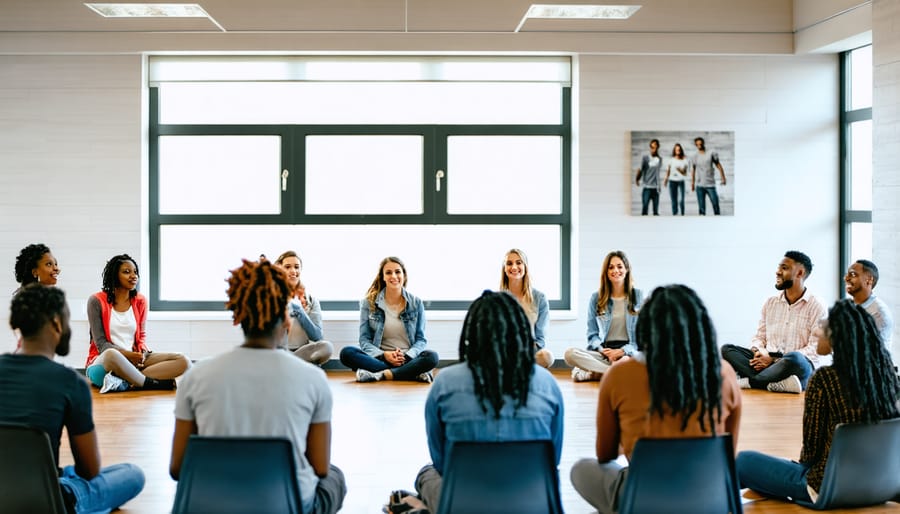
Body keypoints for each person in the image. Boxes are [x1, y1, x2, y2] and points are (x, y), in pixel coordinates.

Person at [169, 259, 346, 514]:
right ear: (286, 319)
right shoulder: (314, 379)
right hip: (285, 506)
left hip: (210, 504)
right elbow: (319, 467)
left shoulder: (195, 376)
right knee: (334, 475)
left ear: (238, 315)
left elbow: (178, 468)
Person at [570, 285, 742, 514]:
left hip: (643, 497)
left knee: (581, 469)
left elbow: (605, 454)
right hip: (707, 498)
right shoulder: (726, 374)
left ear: (646, 327)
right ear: (701, 327)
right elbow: (727, 454)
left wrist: (630, 440)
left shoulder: (619, 375)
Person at [400, 290, 564, 513]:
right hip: (530, 503)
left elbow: (441, 462)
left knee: (427, 472)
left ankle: (423, 506)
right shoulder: (547, 384)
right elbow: (553, 458)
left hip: (464, 504)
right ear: (519, 331)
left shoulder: (444, 384)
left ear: (473, 332)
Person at [736, 299, 900, 505]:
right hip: (883, 485)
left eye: (822, 327)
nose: (816, 332)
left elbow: (810, 455)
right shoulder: (887, 377)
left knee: (744, 461)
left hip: (829, 489)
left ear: (836, 335)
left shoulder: (825, 379)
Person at [1, 284, 145, 513]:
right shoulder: (70, 383)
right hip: (49, 502)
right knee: (132, 474)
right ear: (57, 323)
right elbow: (89, 470)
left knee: (62, 472)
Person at [721, 250, 826, 394]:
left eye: (784, 268)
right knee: (727, 350)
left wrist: (773, 359)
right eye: (779, 267)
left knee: (796, 359)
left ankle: (751, 381)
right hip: (768, 364)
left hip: (793, 365)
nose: (778, 272)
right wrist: (759, 351)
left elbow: (815, 349)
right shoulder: (770, 302)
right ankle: (778, 384)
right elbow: (759, 336)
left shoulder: (817, 306)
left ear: (800, 273)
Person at [85, 254, 191, 392]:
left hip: (133, 359)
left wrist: (141, 354)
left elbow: (141, 338)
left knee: (183, 361)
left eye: (135, 272)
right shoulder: (96, 301)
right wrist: (128, 355)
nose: (133, 276)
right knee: (112, 354)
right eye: (126, 272)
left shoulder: (140, 301)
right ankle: (150, 383)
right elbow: (101, 345)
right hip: (104, 362)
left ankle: (127, 381)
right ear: (114, 275)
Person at [339, 256, 439, 383]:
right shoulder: (368, 303)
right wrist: (384, 355)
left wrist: (406, 356)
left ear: (404, 275)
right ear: (383, 277)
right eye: (388, 272)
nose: (394, 276)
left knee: (432, 356)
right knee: (347, 353)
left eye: (397, 272)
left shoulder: (416, 303)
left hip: (408, 358)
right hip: (380, 358)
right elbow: (364, 339)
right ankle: (409, 372)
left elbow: (421, 339)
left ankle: (382, 374)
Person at [564, 250, 642, 382]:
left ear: (627, 269)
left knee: (627, 360)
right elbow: (592, 335)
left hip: (628, 352)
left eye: (619, 266)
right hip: (605, 351)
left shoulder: (638, 296)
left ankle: (596, 373)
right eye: (611, 267)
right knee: (570, 354)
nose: (615, 270)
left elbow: (639, 338)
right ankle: (616, 372)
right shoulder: (597, 298)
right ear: (606, 272)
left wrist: (623, 351)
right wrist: (602, 349)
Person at [274, 250, 333, 365]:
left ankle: (291, 364)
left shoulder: (311, 301)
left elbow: (317, 336)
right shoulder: (270, 299)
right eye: (287, 267)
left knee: (326, 347)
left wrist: (299, 311)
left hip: (302, 352)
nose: (293, 271)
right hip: (279, 352)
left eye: (296, 267)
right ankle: (297, 365)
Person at [499, 248, 554, 368]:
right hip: (504, 351)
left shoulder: (539, 298)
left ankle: (516, 368)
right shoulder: (497, 299)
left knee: (546, 357)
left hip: (529, 351)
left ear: (525, 266)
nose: (514, 267)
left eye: (519, 263)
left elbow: (540, 339)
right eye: (509, 263)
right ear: (504, 269)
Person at [844, 259, 893, 352]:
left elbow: (874, 355)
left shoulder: (879, 313)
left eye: (853, 275)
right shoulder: (849, 307)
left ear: (869, 280)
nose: (846, 278)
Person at [690, 136, 727, 215]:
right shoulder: (694, 156)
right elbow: (693, 170)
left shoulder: (711, 153)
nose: (699, 145)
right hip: (700, 186)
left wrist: (723, 178)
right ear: (696, 145)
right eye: (697, 144)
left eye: (700, 144)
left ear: (703, 143)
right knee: (701, 209)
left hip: (710, 185)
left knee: (716, 206)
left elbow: (718, 165)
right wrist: (692, 183)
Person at [635, 138, 662, 216]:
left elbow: (657, 173)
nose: (654, 149)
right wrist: (637, 179)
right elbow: (641, 169)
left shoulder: (660, 159)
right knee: (645, 210)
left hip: (655, 189)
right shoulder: (645, 158)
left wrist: (659, 186)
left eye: (655, 147)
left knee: (656, 212)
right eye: (652, 147)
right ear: (650, 147)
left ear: (658, 147)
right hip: (647, 188)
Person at [663, 143, 689, 215]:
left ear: (681, 150)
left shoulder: (685, 160)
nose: (678, 151)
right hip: (672, 182)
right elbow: (668, 172)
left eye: (679, 149)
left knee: (681, 200)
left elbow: (685, 173)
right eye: (677, 150)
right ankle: (675, 215)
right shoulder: (671, 160)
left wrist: (679, 170)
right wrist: (665, 180)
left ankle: (682, 214)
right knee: (674, 201)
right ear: (674, 151)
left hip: (681, 182)